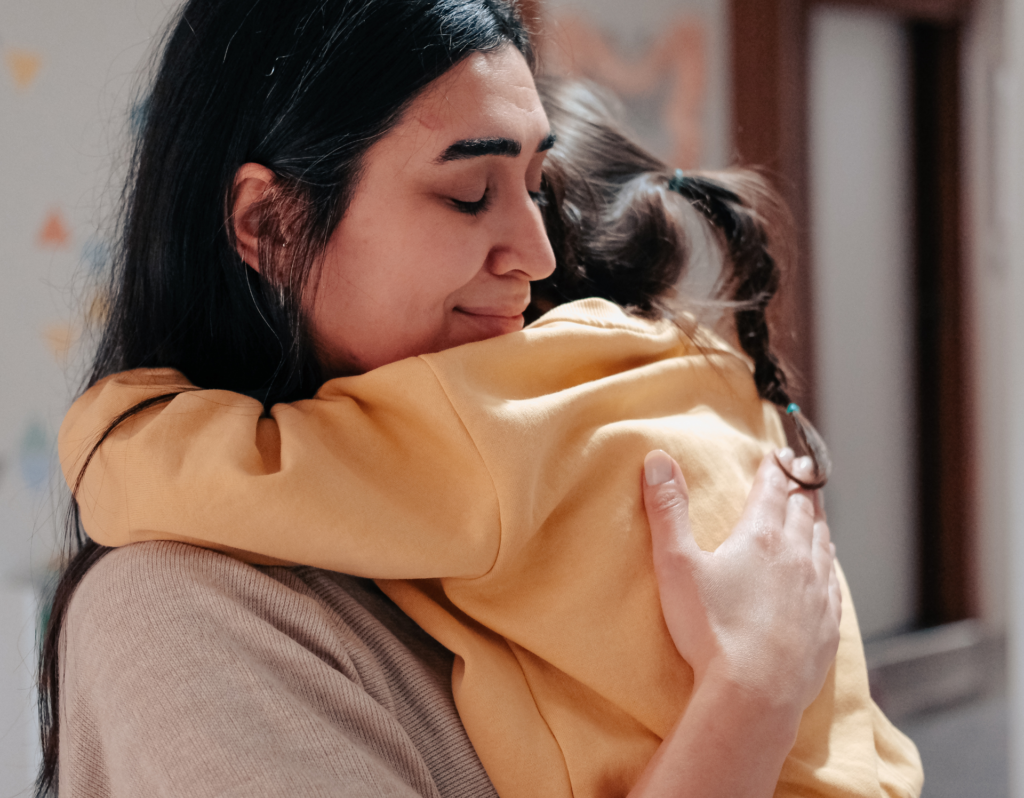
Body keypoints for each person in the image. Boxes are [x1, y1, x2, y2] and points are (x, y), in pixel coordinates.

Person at [40, 2, 921, 797]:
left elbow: (204, 470)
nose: (536, 254)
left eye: (538, 186)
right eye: (469, 195)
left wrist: (123, 430)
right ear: (266, 224)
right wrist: (751, 694)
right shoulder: (182, 613)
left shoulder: (487, 429)